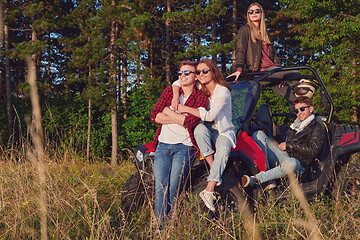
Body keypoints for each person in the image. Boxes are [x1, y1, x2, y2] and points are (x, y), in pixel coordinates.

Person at [172, 59, 236, 212]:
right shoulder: (201, 86)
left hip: (222, 130)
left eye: (205, 71)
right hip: (207, 128)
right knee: (199, 130)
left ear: (214, 72)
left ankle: (209, 189)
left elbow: (210, 115)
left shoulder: (222, 91)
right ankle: (215, 169)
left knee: (223, 151)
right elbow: (177, 82)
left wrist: (184, 108)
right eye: (199, 72)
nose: (201, 74)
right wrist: (175, 96)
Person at [150, 61, 208, 227]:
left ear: (195, 76)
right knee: (160, 187)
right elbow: (155, 115)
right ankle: (161, 228)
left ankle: (172, 223)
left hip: (184, 147)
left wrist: (167, 111)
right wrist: (176, 116)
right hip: (162, 145)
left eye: (187, 73)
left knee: (174, 188)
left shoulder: (200, 97)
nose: (182, 75)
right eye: (180, 72)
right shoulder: (170, 92)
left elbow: (190, 122)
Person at [242, 96, 326, 188]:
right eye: (296, 111)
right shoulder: (294, 126)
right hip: (285, 157)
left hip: (300, 165)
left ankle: (258, 178)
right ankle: (269, 178)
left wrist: (289, 146)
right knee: (258, 134)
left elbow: (313, 150)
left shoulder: (317, 128)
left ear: (310, 109)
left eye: (302, 109)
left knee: (292, 163)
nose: (299, 113)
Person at [227, 2, 300, 102]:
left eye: (257, 11)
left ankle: (301, 108)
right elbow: (240, 50)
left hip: (272, 71)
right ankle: (303, 94)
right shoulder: (245, 30)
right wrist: (239, 68)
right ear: (248, 15)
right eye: (251, 12)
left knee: (293, 98)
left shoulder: (266, 33)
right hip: (258, 72)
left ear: (261, 13)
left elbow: (274, 56)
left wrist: (281, 74)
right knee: (295, 72)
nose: (254, 13)